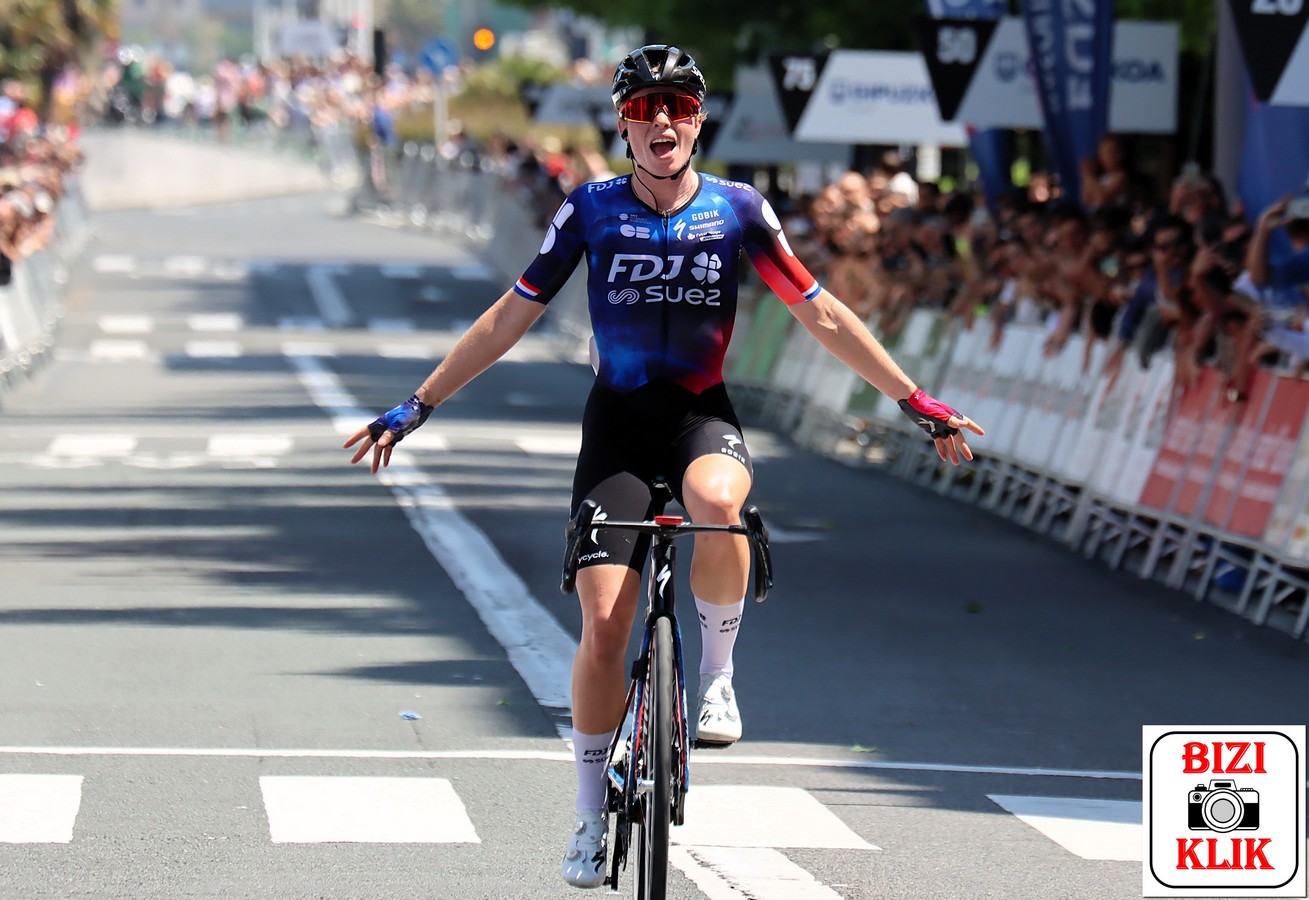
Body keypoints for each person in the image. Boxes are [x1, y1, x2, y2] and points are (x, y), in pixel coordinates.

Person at [343, 43, 984, 889]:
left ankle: (716, 679)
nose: (661, 121)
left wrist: (914, 399)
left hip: (697, 414)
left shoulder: (738, 210)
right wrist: (418, 404)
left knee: (718, 503)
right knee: (605, 628)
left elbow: (821, 314)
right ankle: (586, 816)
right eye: (643, 109)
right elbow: (509, 317)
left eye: (676, 106)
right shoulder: (590, 210)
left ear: (698, 120)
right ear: (623, 126)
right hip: (616, 425)